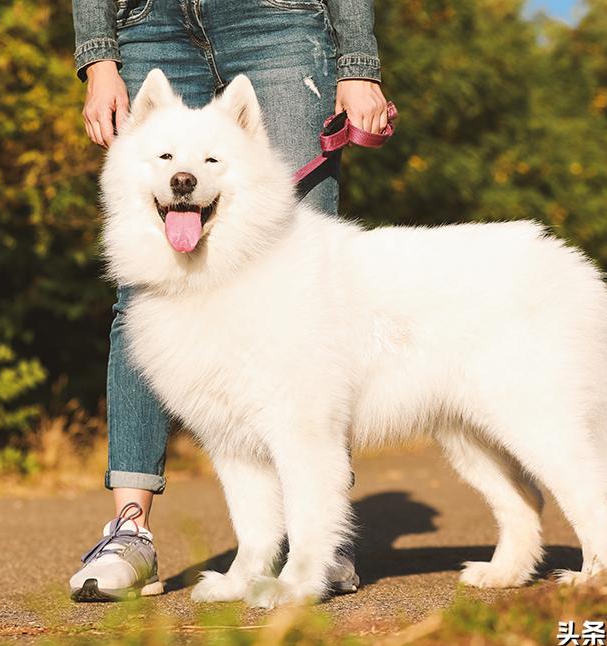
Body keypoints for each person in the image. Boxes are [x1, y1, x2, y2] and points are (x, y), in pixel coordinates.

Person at [69, 0, 388, 602]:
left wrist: (358, 61)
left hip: (279, 18)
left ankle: (315, 538)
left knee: (304, 281)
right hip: (146, 19)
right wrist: (98, 57)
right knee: (145, 283)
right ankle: (130, 530)